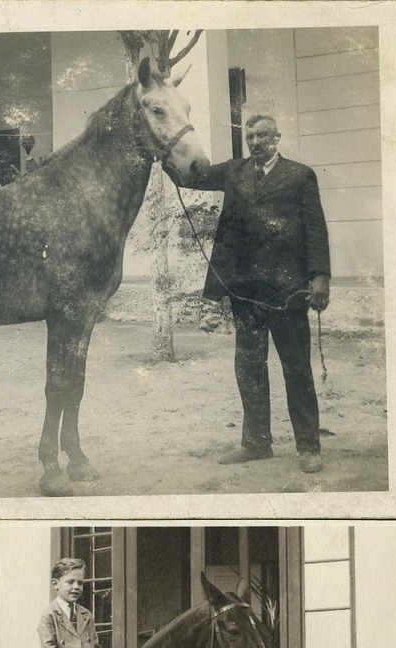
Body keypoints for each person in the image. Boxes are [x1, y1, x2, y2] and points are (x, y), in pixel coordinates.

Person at [165, 113, 332, 474]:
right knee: (250, 367)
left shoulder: (300, 176)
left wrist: (320, 277)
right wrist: (164, 151)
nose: (255, 142)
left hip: (288, 290)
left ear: (277, 137)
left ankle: (308, 446)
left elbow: (315, 229)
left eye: (262, 136)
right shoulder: (233, 172)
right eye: (250, 137)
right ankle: (256, 443)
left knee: (296, 367)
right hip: (246, 290)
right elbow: (190, 176)